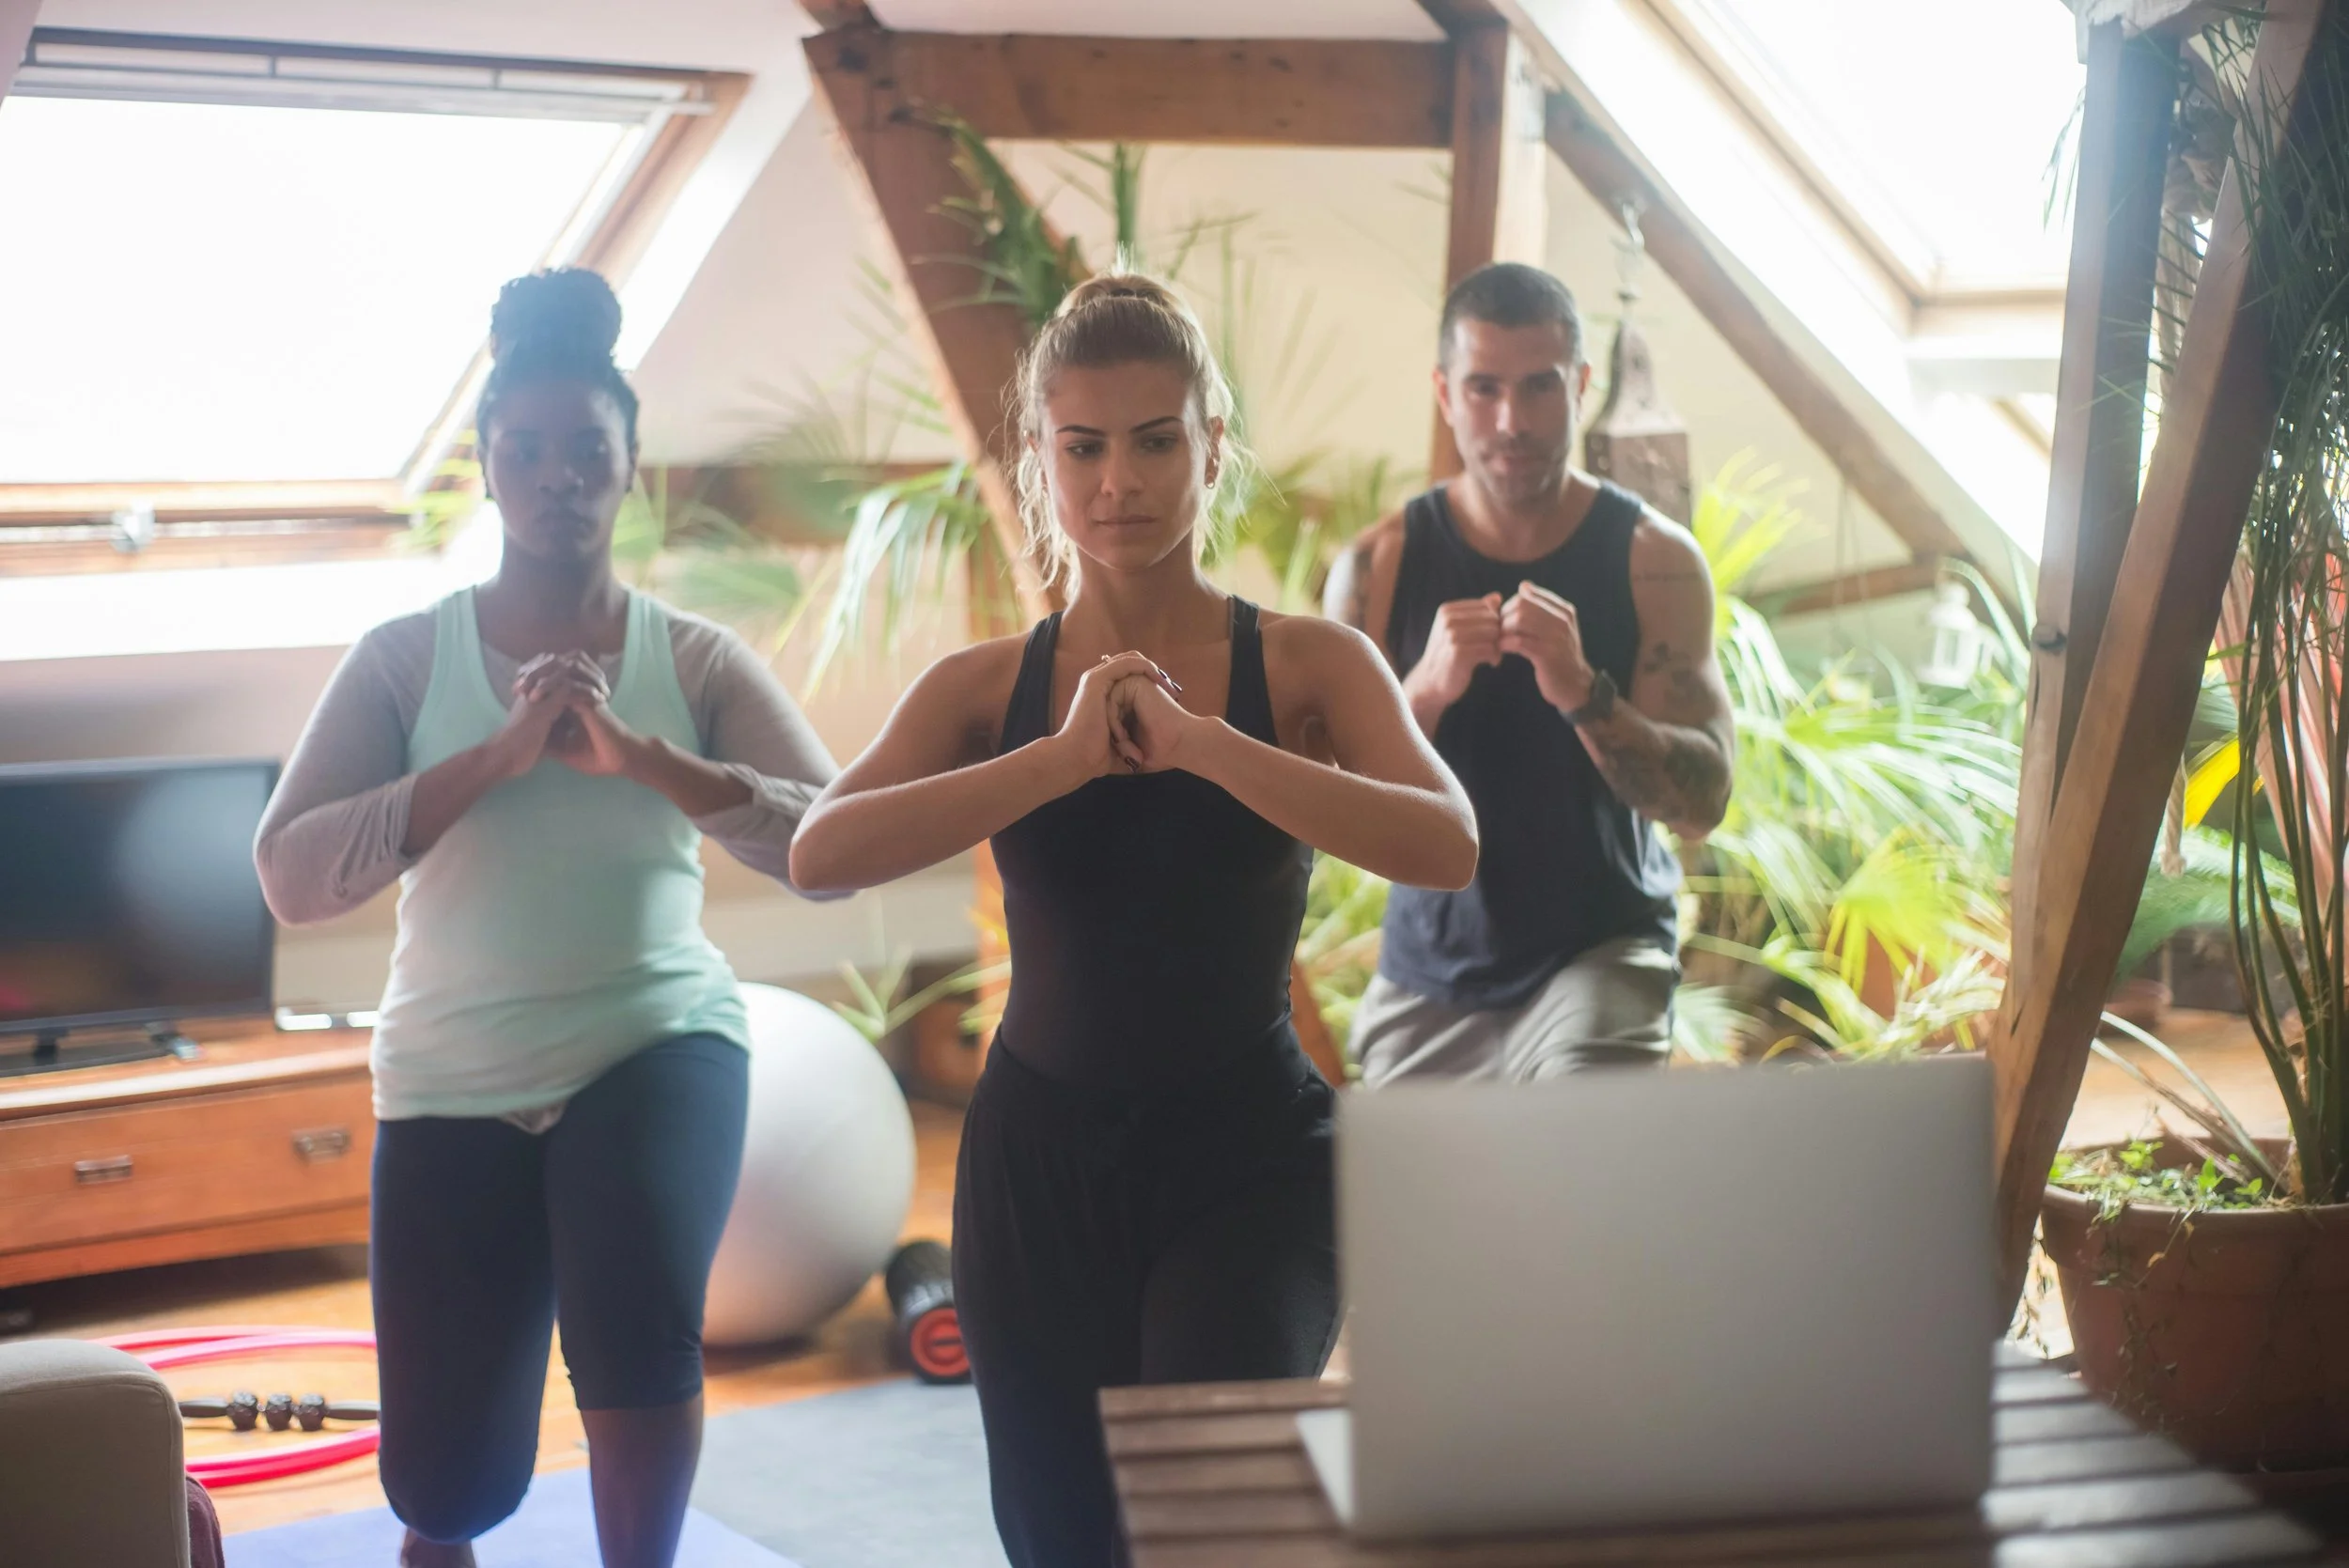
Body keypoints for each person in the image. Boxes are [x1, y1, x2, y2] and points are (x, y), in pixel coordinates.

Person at [789, 273, 1477, 1568]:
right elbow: (819, 854)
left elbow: (1446, 843)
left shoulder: (1310, 664)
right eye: (1084, 446)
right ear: (1040, 459)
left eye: (1156, 441)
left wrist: (1209, 744)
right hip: (1035, 1172)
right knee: (1060, 1544)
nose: (1121, 481)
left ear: (1211, 448)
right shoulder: (984, 688)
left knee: (1206, 1526)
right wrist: (1056, 761)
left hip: (1253, 1163)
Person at [254, 269, 838, 1568]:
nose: (557, 476)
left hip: (654, 1038)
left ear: (629, 466)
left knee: (636, 1339)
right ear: (485, 465)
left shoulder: (695, 660)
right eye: (525, 449)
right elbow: (290, 874)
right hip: (449, 1071)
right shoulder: (406, 657)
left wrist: (647, 759)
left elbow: (835, 849)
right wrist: (496, 755)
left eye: (587, 449)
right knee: (445, 1487)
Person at [1324, 261, 1733, 1086]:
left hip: (1601, 946)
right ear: (1445, 394)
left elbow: (1702, 805)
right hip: (1427, 968)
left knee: (1572, 1136)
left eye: (1539, 387)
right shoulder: (1378, 567)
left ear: (1579, 385)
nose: (1511, 421)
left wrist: (1586, 692)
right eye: (1484, 389)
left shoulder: (1653, 560)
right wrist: (1424, 691)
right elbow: (1334, 809)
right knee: (1406, 1170)